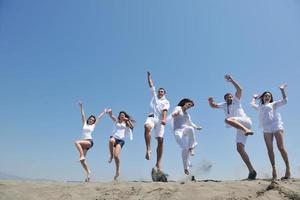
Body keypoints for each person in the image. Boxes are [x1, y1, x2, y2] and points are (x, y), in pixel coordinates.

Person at [208, 74, 257, 180]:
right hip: (238, 126)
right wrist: (210, 101)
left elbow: (240, 89)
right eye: (227, 97)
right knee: (239, 148)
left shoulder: (236, 101)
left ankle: (246, 130)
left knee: (228, 120)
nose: (230, 98)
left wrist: (232, 81)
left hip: (245, 122)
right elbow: (213, 106)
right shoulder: (224, 105)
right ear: (225, 99)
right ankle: (251, 170)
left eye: (230, 96)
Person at [251, 84, 291, 180]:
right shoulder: (260, 107)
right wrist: (254, 98)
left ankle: (288, 168)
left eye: (269, 96)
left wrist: (282, 90)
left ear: (270, 98)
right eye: (266, 95)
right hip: (266, 128)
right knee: (270, 149)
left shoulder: (274, 104)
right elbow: (252, 104)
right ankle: (274, 169)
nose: (267, 97)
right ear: (263, 97)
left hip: (276, 126)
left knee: (280, 147)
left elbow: (285, 101)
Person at [144, 71, 170, 173]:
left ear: (164, 93)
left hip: (160, 120)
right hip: (151, 117)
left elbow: (165, 111)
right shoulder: (154, 96)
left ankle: (158, 163)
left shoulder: (166, 101)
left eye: (162, 91)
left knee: (160, 140)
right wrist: (149, 76)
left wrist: (164, 119)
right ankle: (148, 149)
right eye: (159, 91)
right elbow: (151, 84)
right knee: (147, 127)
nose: (160, 92)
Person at [74, 101, 106, 182]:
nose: (91, 120)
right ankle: (88, 172)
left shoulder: (93, 125)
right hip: (83, 143)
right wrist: (81, 106)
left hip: (89, 142)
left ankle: (81, 155)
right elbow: (82, 115)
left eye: (93, 120)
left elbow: (99, 118)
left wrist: (104, 112)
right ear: (88, 119)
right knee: (82, 161)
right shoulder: (84, 123)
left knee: (76, 142)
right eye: (90, 119)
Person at [170, 98, 202, 175]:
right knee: (184, 149)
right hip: (177, 131)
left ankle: (191, 148)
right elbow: (175, 112)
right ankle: (186, 168)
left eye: (190, 106)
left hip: (185, 129)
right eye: (189, 104)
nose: (189, 107)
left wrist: (197, 127)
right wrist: (174, 114)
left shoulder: (187, 114)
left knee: (190, 128)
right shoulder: (178, 108)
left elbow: (190, 123)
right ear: (185, 103)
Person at [106, 109, 134, 180]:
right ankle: (111, 156)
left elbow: (132, 127)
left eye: (123, 115)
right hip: (114, 138)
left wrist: (127, 120)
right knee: (111, 140)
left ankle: (117, 171)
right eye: (121, 115)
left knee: (116, 156)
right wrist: (110, 112)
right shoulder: (116, 121)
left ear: (125, 116)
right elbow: (111, 116)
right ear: (119, 116)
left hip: (121, 140)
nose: (122, 116)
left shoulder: (126, 123)